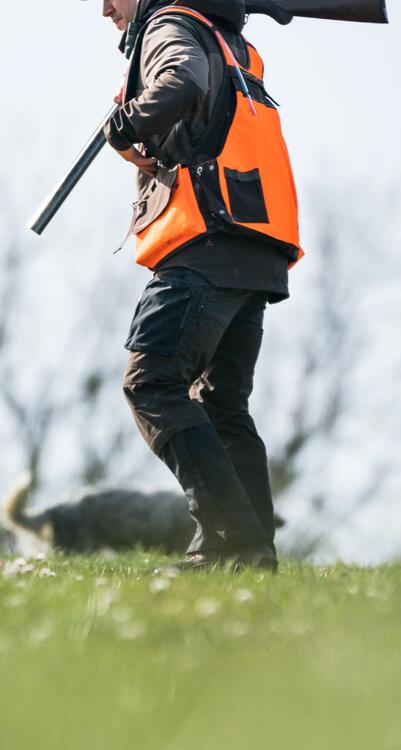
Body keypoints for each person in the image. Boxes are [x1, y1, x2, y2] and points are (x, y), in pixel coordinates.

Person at [94, 0, 303, 571]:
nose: (104, 8)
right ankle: (253, 554)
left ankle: (225, 541)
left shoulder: (169, 25)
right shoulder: (224, 35)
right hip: (255, 247)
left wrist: (125, 125)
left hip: (207, 242)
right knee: (222, 404)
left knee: (153, 383)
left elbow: (180, 82)